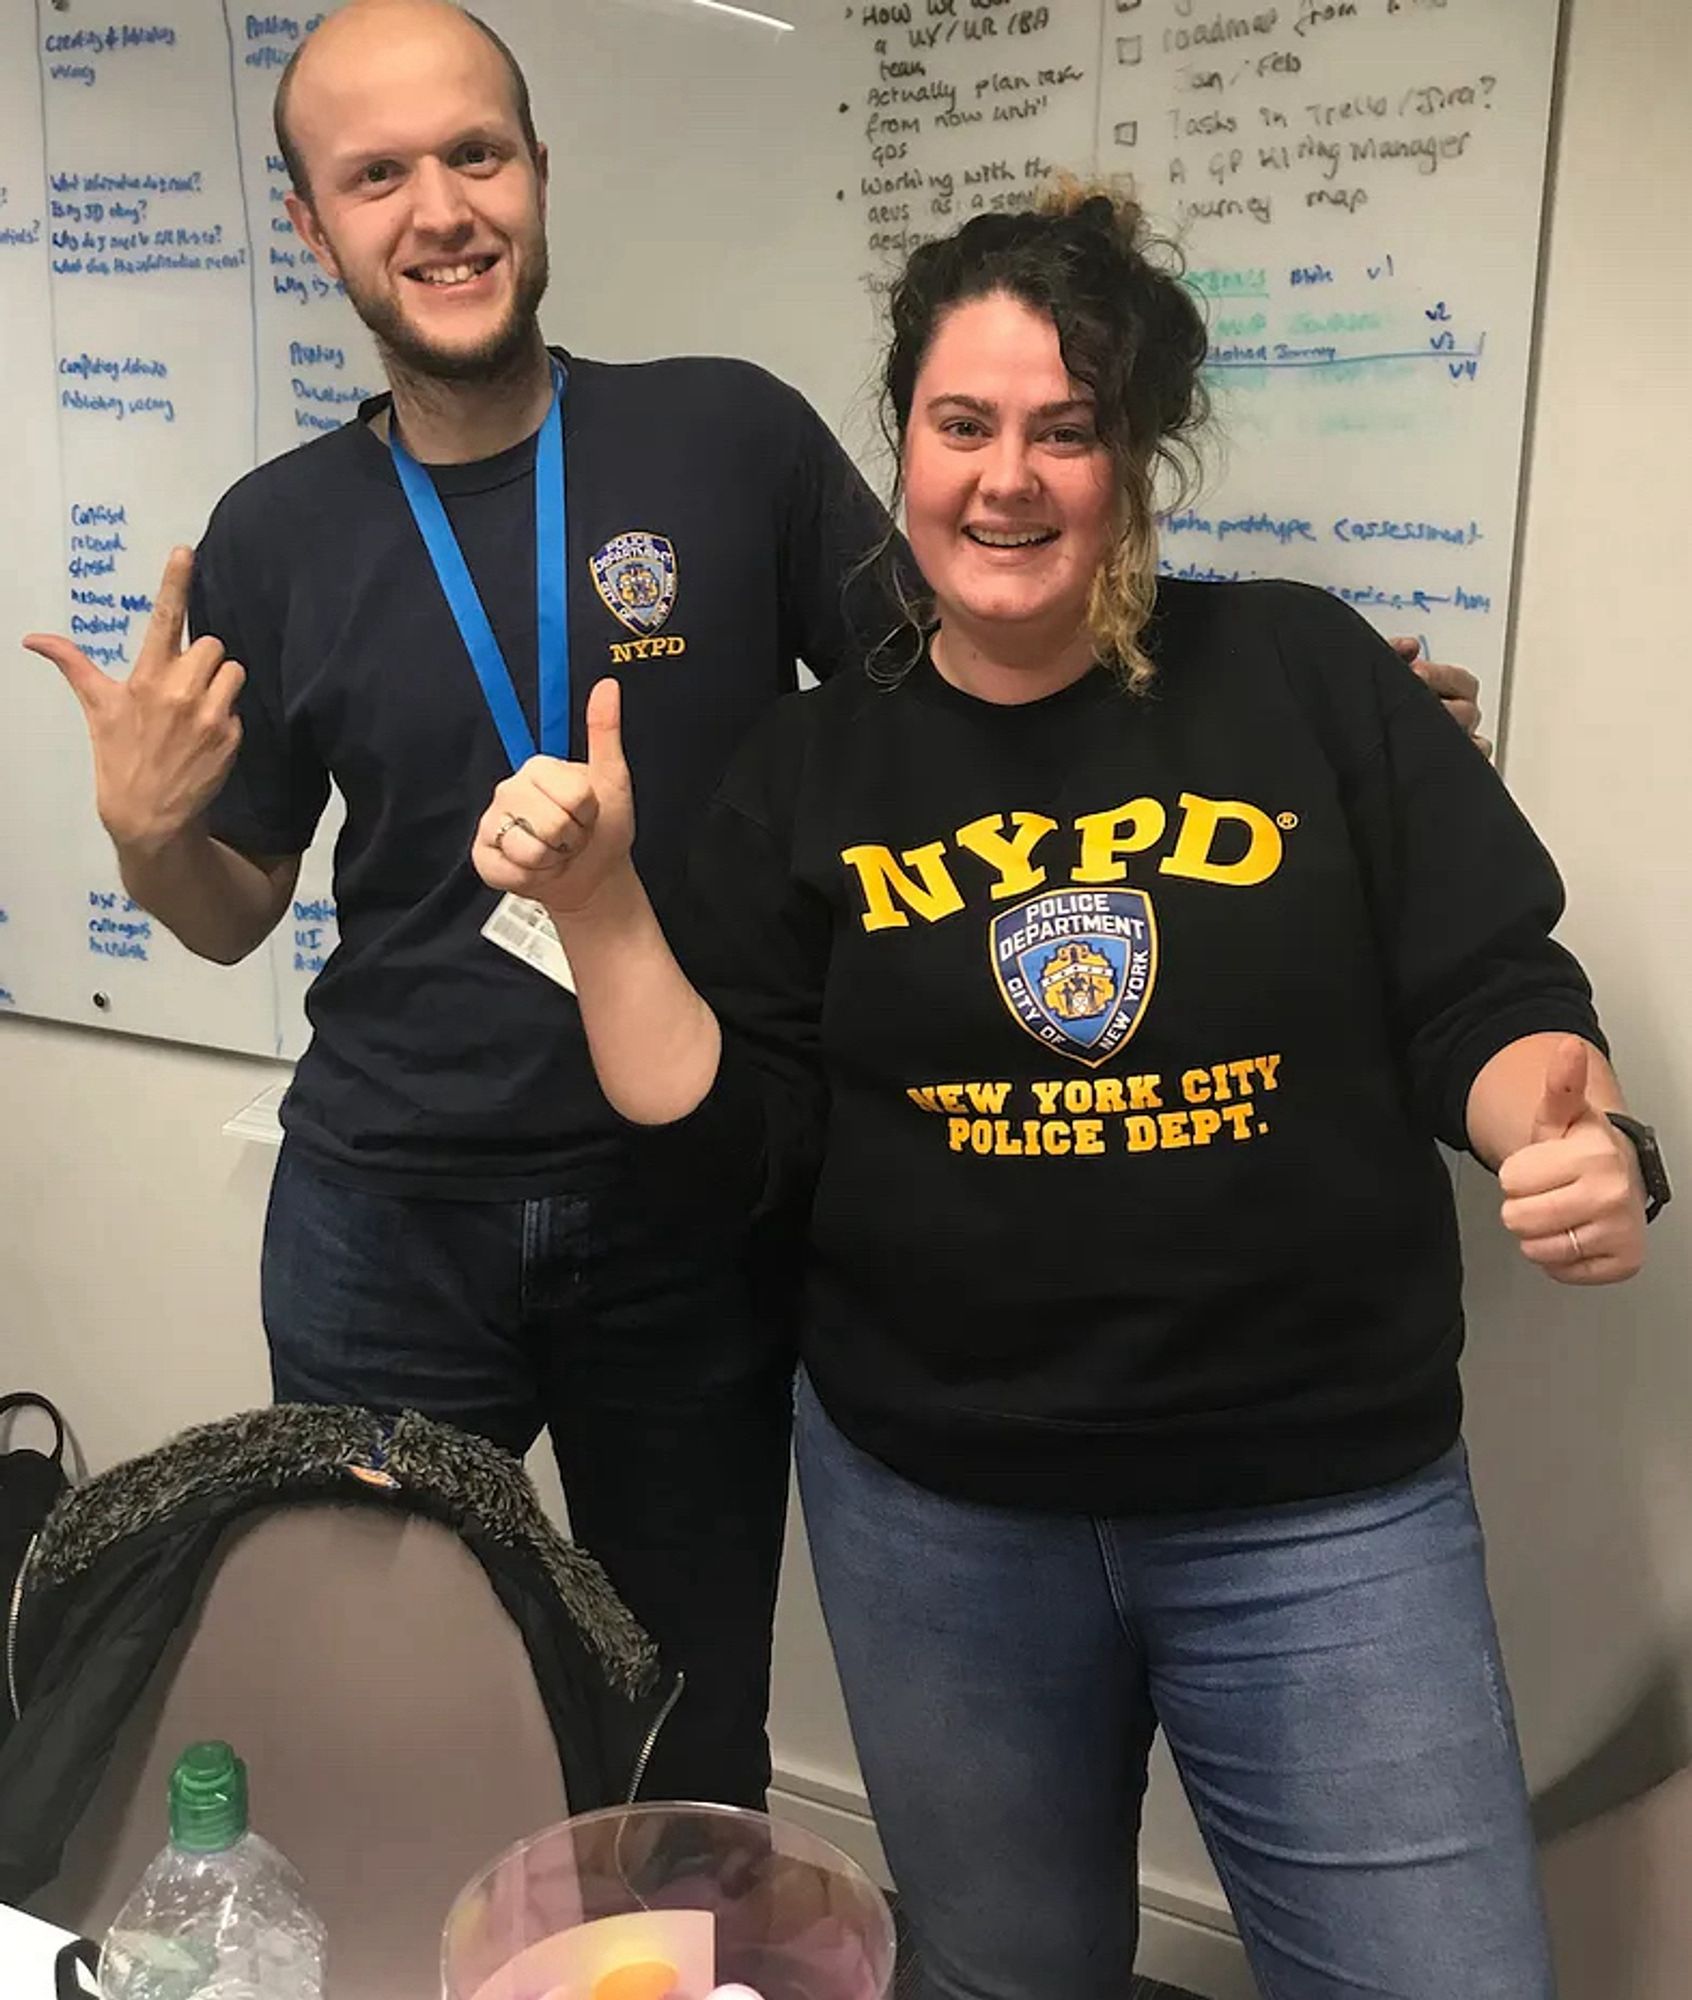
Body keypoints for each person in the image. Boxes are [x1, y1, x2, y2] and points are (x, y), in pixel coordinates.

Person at [22, 0, 1487, 1816]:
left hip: (698, 1194)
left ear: (538, 176)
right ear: (311, 228)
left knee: (684, 1720)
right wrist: (153, 833)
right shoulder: (274, 530)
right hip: (388, 1219)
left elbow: (981, 670)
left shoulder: (730, 439)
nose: (441, 207)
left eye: (475, 153)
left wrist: (1310, 727)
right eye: (376, 174)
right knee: (380, 1698)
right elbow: (230, 912)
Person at [471, 185, 1671, 1999]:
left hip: (1317, 1501)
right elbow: (743, 1146)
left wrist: (1556, 1131)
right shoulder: (817, 763)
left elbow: (1487, 990)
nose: (1006, 479)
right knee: (1006, 1974)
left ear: (1137, 455)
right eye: (963, 426)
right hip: (941, 1513)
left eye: (1066, 429)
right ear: (904, 445)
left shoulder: (1303, 672)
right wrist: (605, 911)